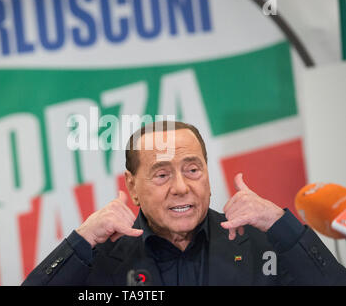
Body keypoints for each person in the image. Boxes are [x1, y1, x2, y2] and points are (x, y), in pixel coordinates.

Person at [22, 121, 346, 285]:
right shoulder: (102, 260)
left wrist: (283, 226)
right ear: (132, 187)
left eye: (192, 170)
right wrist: (82, 240)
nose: (181, 187)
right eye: (162, 175)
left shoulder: (262, 245)